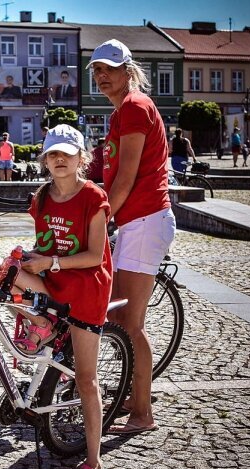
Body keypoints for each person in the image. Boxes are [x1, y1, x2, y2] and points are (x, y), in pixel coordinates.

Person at [0, 125, 112, 469]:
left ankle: (93, 462)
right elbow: (43, 245)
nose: (58, 159)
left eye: (66, 153)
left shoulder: (93, 197)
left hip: (86, 290)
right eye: (52, 153)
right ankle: (44, 324)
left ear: (81, 158)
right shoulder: (41, 197)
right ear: (44, 159)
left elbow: (92, 255)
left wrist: (50, 263)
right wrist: (29, 258)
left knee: (86, 380)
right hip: (52, 280)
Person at [89, 39, 175, 435]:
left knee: (130, 322)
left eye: (109, 68)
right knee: (120, 318)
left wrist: (101, 216)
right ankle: (133, 393)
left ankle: (142, 414)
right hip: (136, 222)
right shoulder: (121, 112)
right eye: (97, 70)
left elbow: (126, 177)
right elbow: (107, 171)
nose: (102, 75)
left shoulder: (136, 108)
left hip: (144, 221)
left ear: (128, 70)